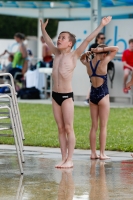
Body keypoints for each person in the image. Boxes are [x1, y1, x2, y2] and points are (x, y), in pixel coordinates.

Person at [40, 16, 112, 168]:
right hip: (55, 96)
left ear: (70, 43)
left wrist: (101, 25)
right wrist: (43, 29)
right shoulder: (56, 54)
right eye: (59, 37)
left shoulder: (73, 55)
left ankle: (70, 159)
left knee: (68, 127)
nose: (59, 39)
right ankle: (63, 158)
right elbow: (48, 41)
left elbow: (87, 40)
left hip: (66, 96)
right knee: (60, 128)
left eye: (63, 38)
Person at [80, 44, 119, 160]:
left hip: (93, 96)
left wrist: (88, 53)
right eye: (105, 53)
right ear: (102, 53)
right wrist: (101, 50)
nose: (106, 55)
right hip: (103, 96)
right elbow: (116, 49)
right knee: (103, 126)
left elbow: (82, 58)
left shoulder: (88, 64)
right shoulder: (104, 63)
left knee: (94, 126)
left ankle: (93, 153)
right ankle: (102, 154)